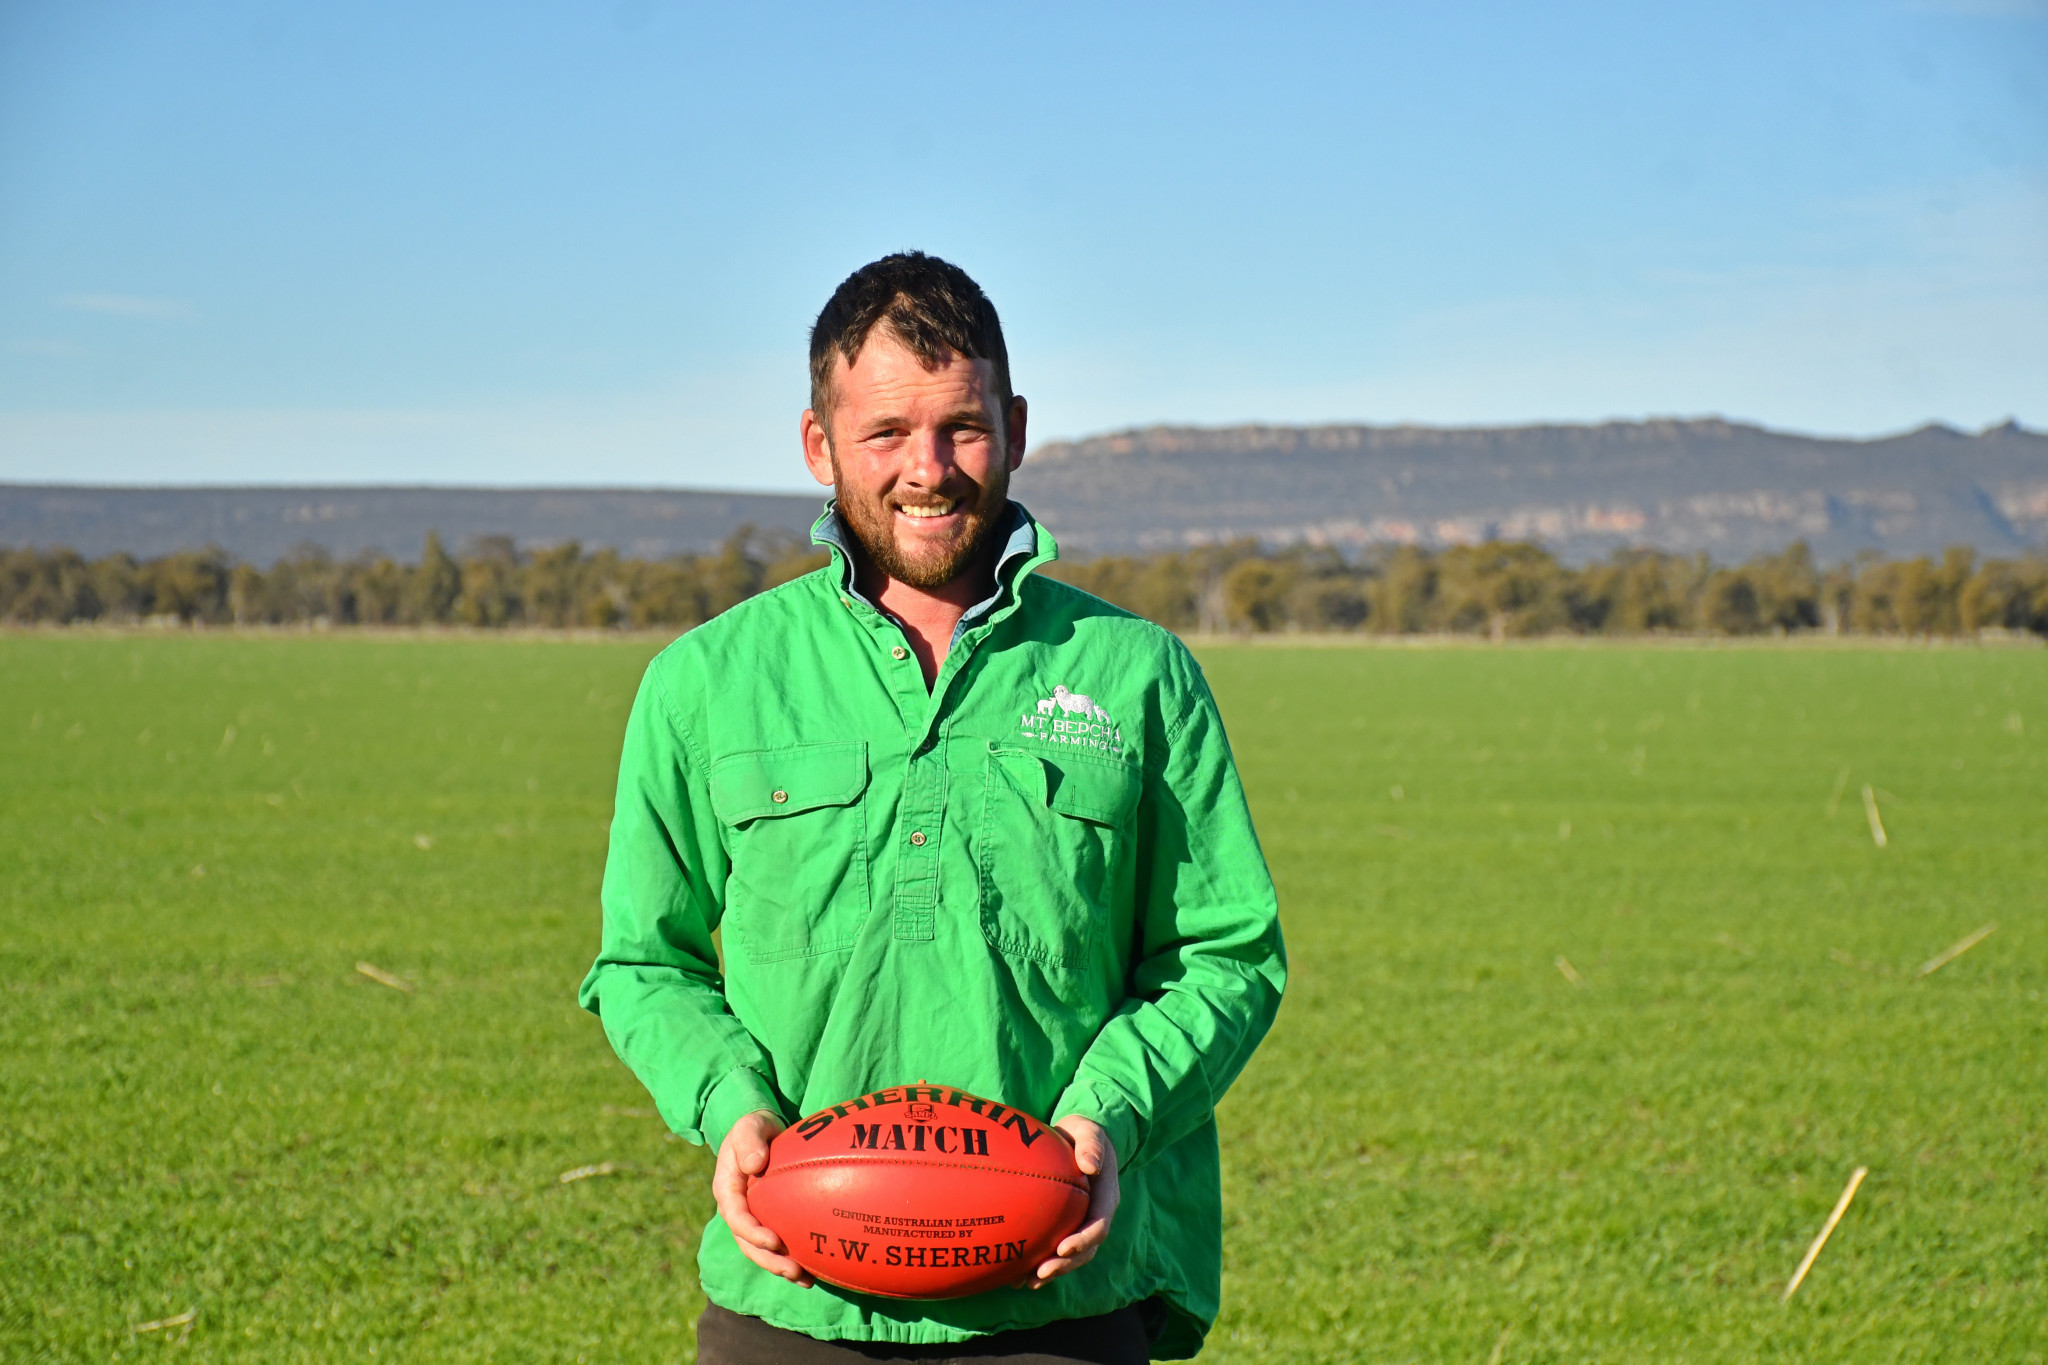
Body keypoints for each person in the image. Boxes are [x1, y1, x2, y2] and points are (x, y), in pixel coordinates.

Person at [579, 252, 1285, 1363]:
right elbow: (642, 962)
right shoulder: (705, 681)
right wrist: (730, 1112)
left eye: (960, 427)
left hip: (1057, 1295)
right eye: (885, 434)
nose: (929, 469)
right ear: (818, 444)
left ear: (1010, 426)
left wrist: (1105, 1118)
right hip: (793, 1299)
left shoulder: (1133, 673)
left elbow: (1226, 954)